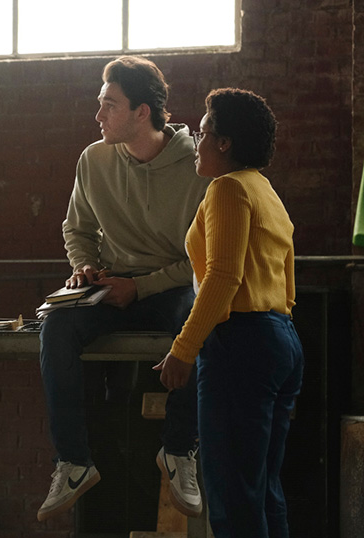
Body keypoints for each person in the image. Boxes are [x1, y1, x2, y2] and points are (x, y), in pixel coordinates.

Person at [37, 56, 212, 522]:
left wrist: (142, 287)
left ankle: (178, 451)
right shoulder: (94, 159)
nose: (98, 115)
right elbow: (77, 229)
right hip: (111, 285)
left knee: (203, 321)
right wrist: (85, 266)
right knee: (56, 325)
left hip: (172, 285)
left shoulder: (197, 168)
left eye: (109, 105)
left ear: (142, 112)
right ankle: (73, 461)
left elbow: (202, 263)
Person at [155, 88, 303, 538]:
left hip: (240, 342)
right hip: (281, 339)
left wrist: (184, 349)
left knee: (233, 494)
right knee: (262, 488)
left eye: (203, 133)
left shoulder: (228, 188)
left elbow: (222, 277)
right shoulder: (265, 191)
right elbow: (287, 283)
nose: (196, 143)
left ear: (224, 143)